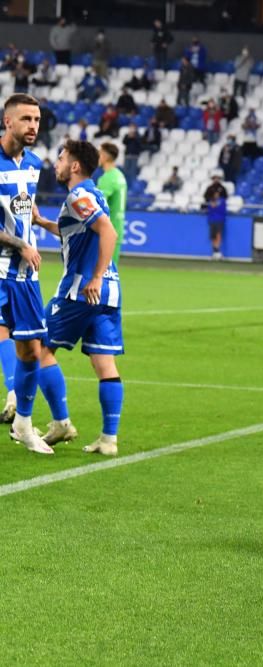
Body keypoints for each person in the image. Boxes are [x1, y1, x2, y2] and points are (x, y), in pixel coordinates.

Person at [31, 139, 123, 456]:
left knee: (39, 347)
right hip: (110, 291)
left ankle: (60, 422)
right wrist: (43, 222)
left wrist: (94, 276)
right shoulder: (94, 194)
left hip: (82, 290)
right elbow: (78, 230)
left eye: (60, 158)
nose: (55, 164)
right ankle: (109, 439)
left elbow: (108, 232)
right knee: (104, 362)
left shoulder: (79, 194)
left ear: (74, 166)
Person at [0, 93, 57, 453]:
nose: (33, 126)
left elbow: (24, 205)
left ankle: (22, 422)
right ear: (7, 122)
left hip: (24, 275)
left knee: (31, 351)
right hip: (4, 267)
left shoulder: (34, 163)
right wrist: (20, 245)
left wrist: (45, 223)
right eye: (26, 119)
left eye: (36, 120)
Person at [97, 143, 127, 264]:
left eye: (99, 154)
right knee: (110, 276)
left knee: (98, 275)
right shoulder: (120, 176)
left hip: (106, 232)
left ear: (104, 156)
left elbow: (98, 205)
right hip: (117, 229)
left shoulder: (107, 178)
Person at [206, 192, 226, 260]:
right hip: (212, 221)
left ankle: (217, 252)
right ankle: (216, 253)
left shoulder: (222, 200)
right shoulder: (211, 201)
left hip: (219, 220)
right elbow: (210, 209)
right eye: (215, 193)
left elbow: (219, 208)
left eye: (217, 193)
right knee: (213, 237)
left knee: (218, 235)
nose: (216, 194)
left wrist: (214, 206)